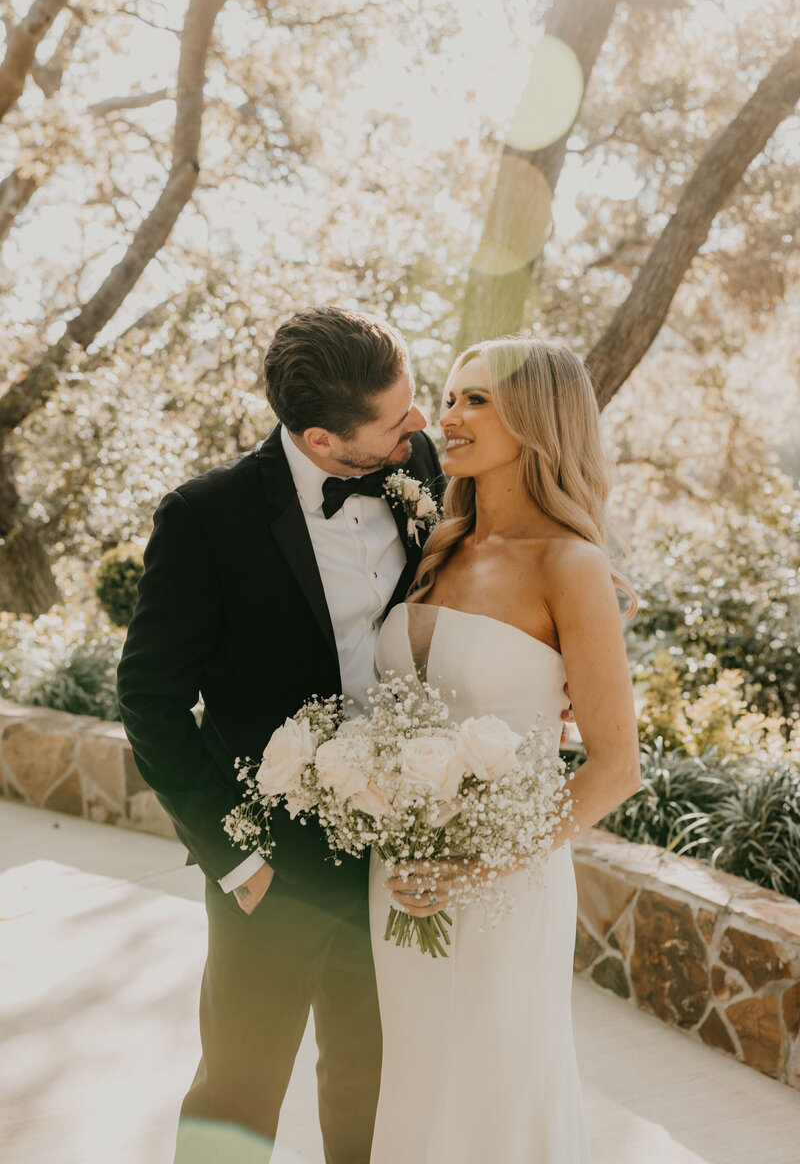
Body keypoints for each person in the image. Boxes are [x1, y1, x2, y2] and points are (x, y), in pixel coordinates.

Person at [116, 305, 446, 1163]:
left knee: (371, 1087)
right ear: (323, 441)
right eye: (397, 417)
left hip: (390, 859)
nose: (422, 423)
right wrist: (237, 856)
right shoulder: (206, 519)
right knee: (239, 1090)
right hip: (270, 871)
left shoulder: (423, 468)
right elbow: (148, 700)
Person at [368, 337, 641, 1164]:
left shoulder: (572, 564)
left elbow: (614, 767)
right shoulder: (437, 547)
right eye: (450, 398)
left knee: (490, 1095)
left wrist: (477, 865)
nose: (448, 418)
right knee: (414, 1087)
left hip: (504, 891)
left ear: (538, 420)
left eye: (475, 399)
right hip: (398, 880)